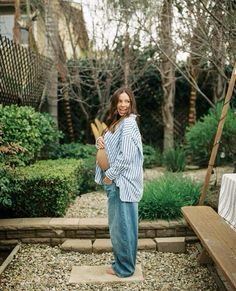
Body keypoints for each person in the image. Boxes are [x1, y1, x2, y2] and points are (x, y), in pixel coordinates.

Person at [95, 87, 143, 278]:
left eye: (127, 101)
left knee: (122, 228)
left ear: (131, 103)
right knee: (120, 227)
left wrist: (110, 176)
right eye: (120, 101)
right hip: (116, 183)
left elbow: (126, 157)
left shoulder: (129, 123)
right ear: (115, 103)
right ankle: (122, 263)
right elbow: (114, 149)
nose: (123, 105)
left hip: (120, 184)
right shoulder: (119, 122)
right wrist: (100, 142)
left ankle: (124, 268)